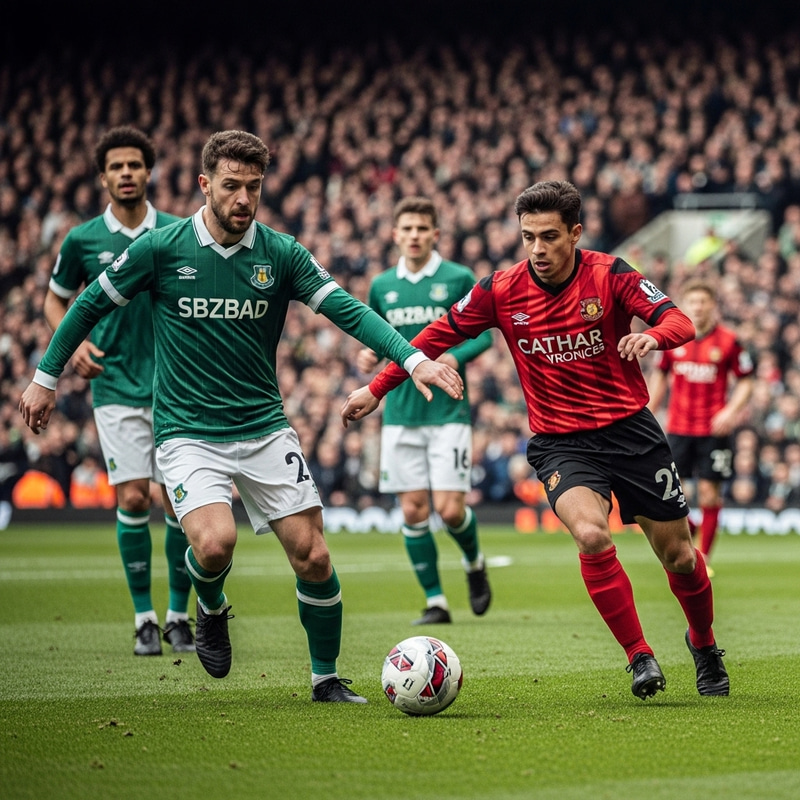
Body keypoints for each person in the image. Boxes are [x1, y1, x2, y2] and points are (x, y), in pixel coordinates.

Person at [19, 129, 463, 703]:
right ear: (205, 184)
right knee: (214, 544)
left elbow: (348, 310)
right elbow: (87, 303)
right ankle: (209, 605)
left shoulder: (280, 252)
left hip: (263, 427)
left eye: (253, 187)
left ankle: (324, 677)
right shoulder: (162, 248)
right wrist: (45, 377)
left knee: (314, 554)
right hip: (186, 431)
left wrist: (411, 357)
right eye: (231, 186)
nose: (243, 199)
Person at [342, 180, 730, 699]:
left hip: (631, 433)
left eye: (549, 237)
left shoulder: (610, 274)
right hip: (561, 443)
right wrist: (376, 388)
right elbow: (433, 337)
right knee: (592, 536)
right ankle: (639, 656)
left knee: (680, 557)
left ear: (575, 232)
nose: (537, 249)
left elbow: (679, 319)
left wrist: (651, 335)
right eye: (528, 237)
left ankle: (703, 644)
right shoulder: (500, 289)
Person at [43, 126, 194, 657]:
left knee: (179, 505)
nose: (127, 173)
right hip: (115, 385)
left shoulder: (179, 233)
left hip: (176, 387)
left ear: (149, 172)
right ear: (103, 176)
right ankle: (144, 619)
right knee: (133, 496)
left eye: (135, 164)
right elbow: (54, 302)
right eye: (117, 166)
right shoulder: (81, 240)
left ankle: (179, 616)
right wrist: (74, 345)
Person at [356, 197, 493, 626]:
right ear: (395, 234)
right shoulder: (382, 286)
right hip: (399, 412)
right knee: (414, 510)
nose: (414, 235)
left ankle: (474, 561)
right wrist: (367, 355)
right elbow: (377, 335)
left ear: (435, 234)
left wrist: (454, 358)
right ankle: (436, 601)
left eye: (422, 228)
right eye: (407, 228)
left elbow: (485, 334)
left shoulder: (458, 277)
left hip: (448, 411)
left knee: (451, 510)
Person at [647, 279, 754, 575]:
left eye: (703, 302)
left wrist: (731, 411)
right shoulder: (673, 340)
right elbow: (660, 375)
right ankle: (690, 529)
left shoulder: (730, 341)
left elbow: (746, 379)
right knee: (672, 495)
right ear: (685, 305)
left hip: (713, 430)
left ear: (712, 306)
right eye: (692, 302)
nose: (698, 307)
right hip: (679, 429)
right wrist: (650, 410)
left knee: (709, 494)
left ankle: (703, 558)